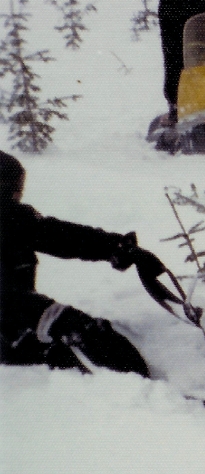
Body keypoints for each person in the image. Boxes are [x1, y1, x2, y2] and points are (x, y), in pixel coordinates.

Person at [0, 151, 167, 377]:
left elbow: (58, 236)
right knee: (83, 332)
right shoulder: (7, 214)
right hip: (10, 316)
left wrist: (115, 247)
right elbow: (58, 237)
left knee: (66, 344)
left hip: (13, 320)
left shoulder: (10, 216)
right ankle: (145, 387)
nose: (19, 194)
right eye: (15, 188)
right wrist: (57, 320)